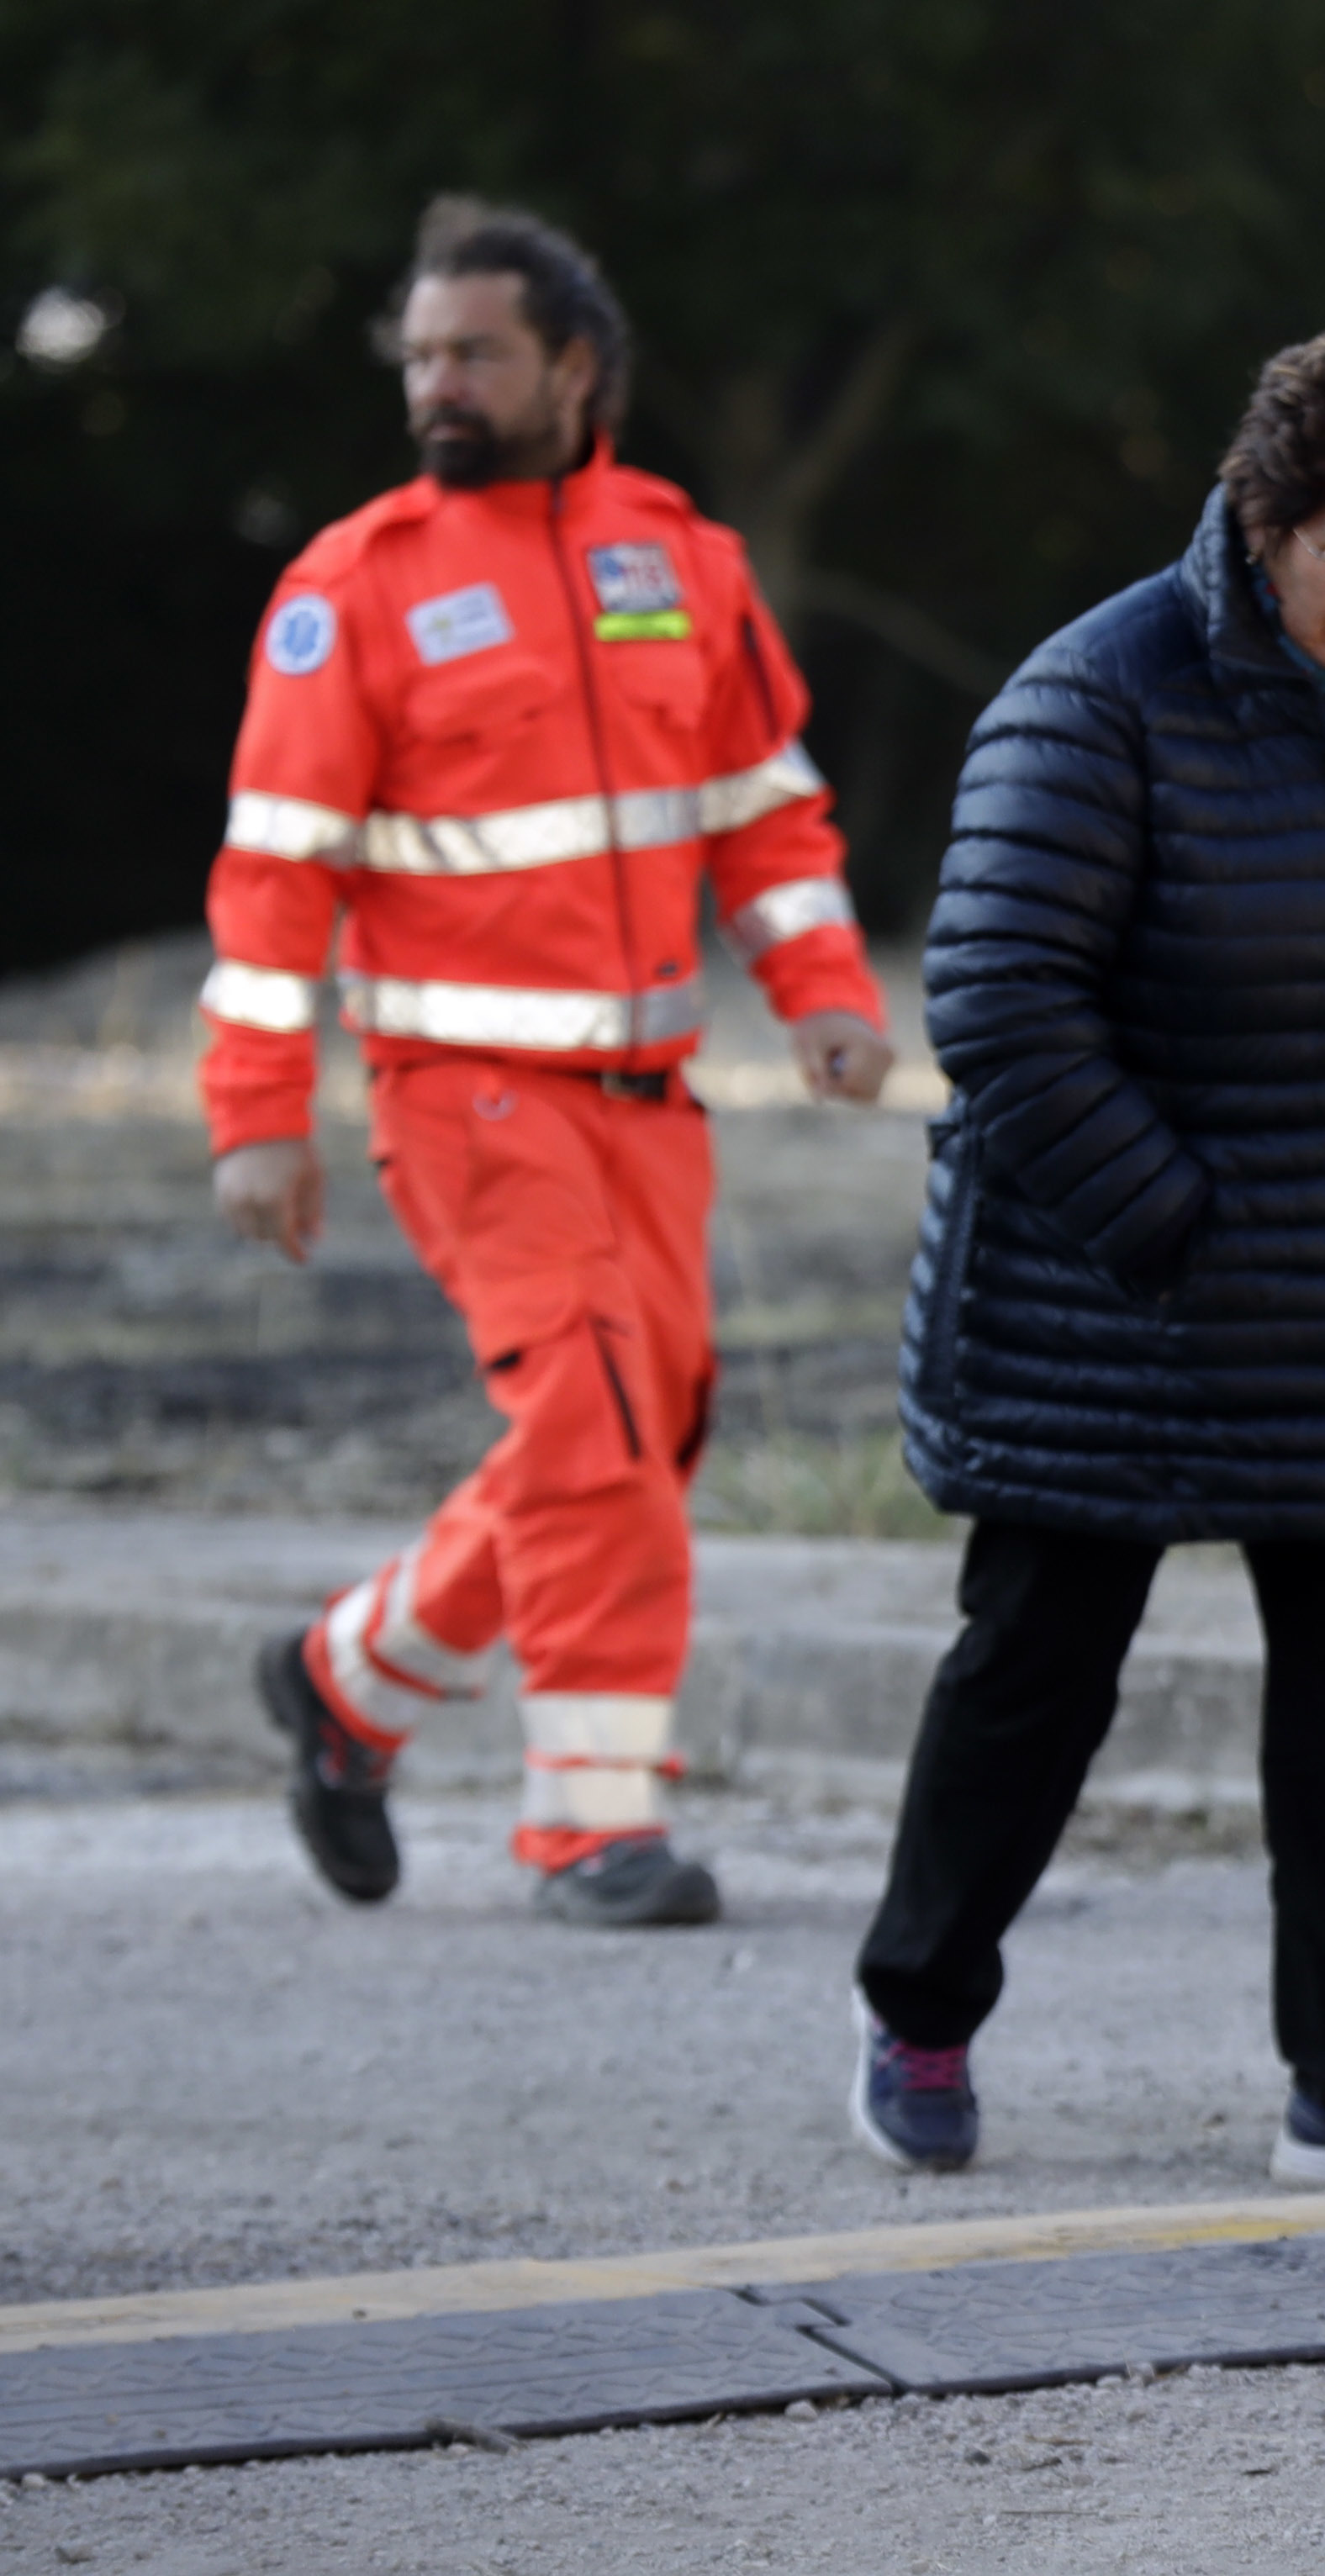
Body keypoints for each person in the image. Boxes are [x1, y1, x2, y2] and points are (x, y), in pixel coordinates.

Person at [851, 327, 1325, 2188]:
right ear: (1263, 524)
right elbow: (1002, 1000)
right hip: (1115, 1301)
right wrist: (1177, 1217)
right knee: (1037, 1669)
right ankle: (918, 2005)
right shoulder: (1097, 692)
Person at [206, 197, 894, 1929]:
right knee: (587, 1430)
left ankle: (354, 1676)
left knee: (643, 1433)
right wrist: (256, 1118)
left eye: (473, 352)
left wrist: (820, 987)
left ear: (573, 366)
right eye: (420, 353)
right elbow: (276, 872)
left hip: (651, 1103)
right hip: (465, 1097)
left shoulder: (685, 559)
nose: (435, 380)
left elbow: (764, 809)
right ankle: (592, 1820)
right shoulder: (353, 587)